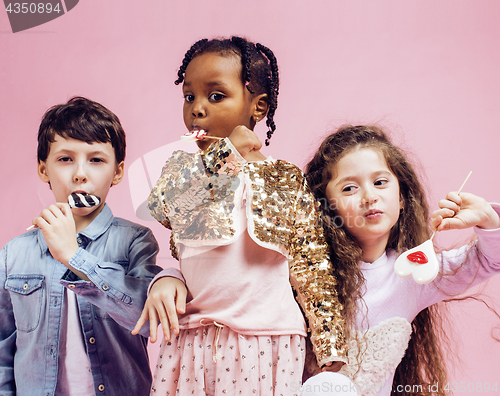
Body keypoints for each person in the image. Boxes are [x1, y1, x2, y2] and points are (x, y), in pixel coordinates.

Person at [131, 36, 347, 395]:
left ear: (258, 108)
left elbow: (311, 265)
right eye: (189, 97)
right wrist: (226, 155)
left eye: (216, 96)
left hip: (270, 341)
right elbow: (168, 208)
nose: (197, 109)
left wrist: (330, 348)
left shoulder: (284, 177)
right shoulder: (182, 170)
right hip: (193, 339)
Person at [304, 124, 500, 396]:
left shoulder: (415, 272)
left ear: (402, 198)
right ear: (327, 206)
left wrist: (489, 220)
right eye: (349, 188)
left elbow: (492, 260)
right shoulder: (306, 272)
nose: (369, 196)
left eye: (380, 182)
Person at [0, 97, 162, 396]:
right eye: (65, 159)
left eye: (96, 160)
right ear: (43, 169)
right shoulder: (13, 255)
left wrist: (73, 256)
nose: (80, 174)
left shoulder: (135, 241)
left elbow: (146, 317)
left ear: (117, 171)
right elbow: (2, 354)